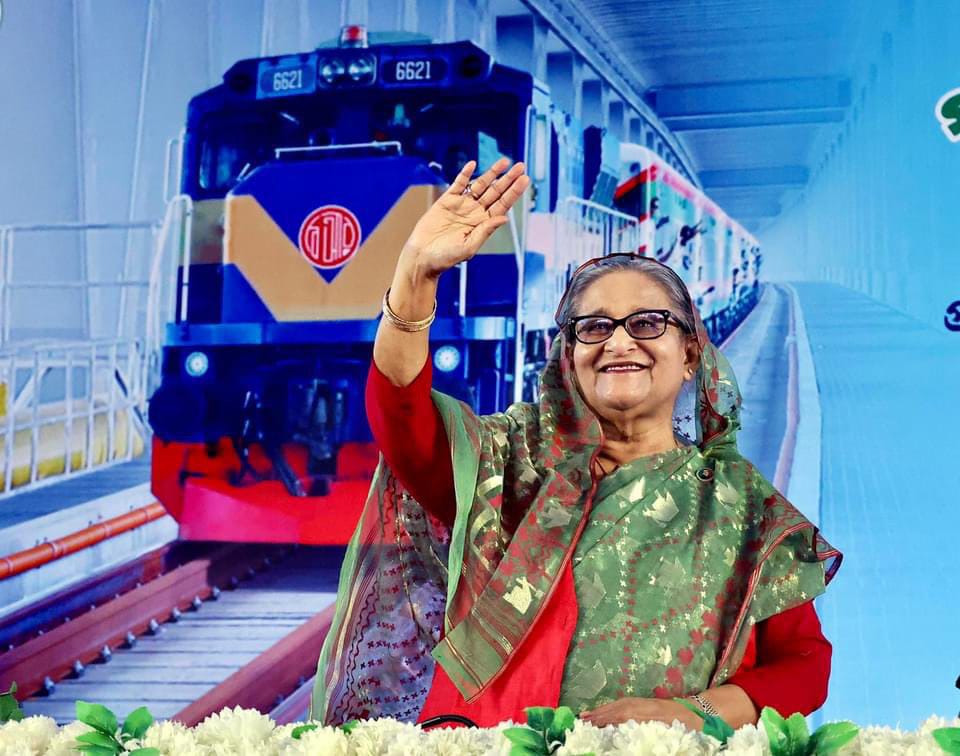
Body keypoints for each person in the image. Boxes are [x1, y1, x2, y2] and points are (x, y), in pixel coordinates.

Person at [310, 158, 843, 730]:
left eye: (647, 323)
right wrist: (413, 275)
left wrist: (689, 713)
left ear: (690, 354)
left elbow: (805, 664)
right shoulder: (509, 467)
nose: (618, 341)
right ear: (569, 355)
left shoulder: (741, 509)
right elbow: (401, 417)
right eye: (593, 327)